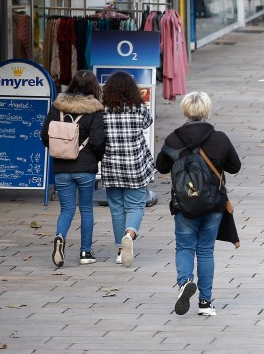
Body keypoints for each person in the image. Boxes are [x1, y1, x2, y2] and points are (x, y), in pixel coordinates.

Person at [156, 91, 241, 316]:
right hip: (213, 204)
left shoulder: (174, 138)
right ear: (206, 111)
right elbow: (235, 167)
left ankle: (184, 283)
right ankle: (205, 302)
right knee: (205, 251)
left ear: (185, 110)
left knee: (184, 247)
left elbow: (161, 167)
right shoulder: (219, 138)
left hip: (184, 204)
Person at [40, 70, 106, 267]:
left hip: (61, 167)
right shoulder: (95, 110)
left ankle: (60, 237)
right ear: (94, 87)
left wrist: (60, 149)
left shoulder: (57, 107)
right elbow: (97, 140)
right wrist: (98, 158)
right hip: (85, 167)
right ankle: (86, 252)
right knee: (86, 209)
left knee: (66, 209)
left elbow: (44, 135)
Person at [101, 71, 154, 268]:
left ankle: (120, 251)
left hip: (111, 166)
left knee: (116, 208)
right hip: (135, 166)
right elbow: (148, 122)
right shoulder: (138, 108)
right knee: (135, 205)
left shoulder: (103, 109)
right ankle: (129, 235)